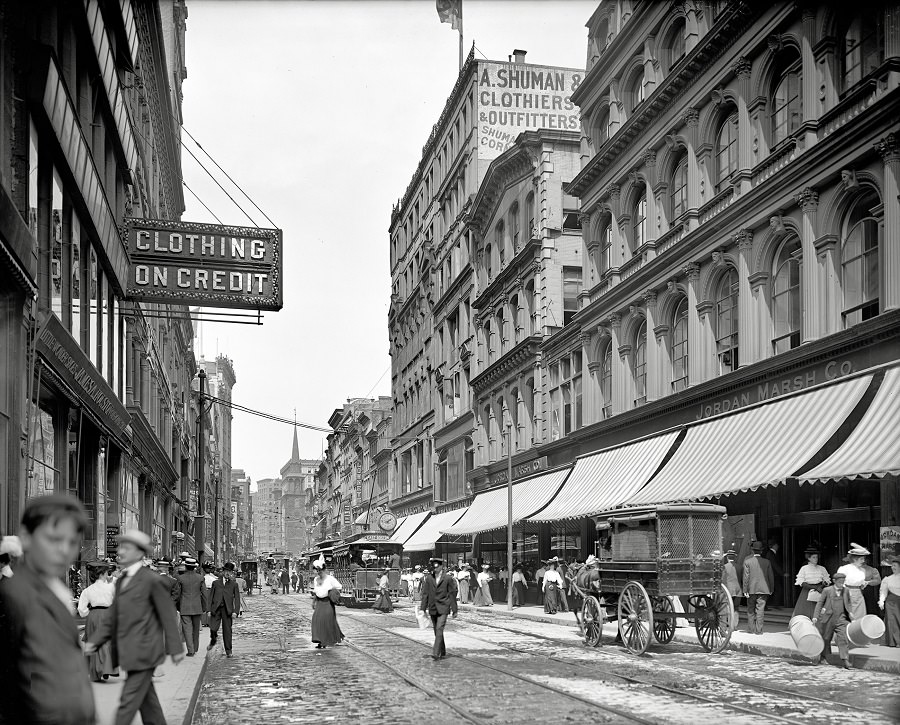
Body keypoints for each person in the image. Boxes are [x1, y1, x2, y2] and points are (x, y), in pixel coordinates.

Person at [0, 495, 96, 725]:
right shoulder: (13, 597)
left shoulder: (52, 591)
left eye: (72, 542)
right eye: (53, 539)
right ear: (26, 537)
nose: (64, 550)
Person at [86, 528, 184, 725]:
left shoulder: (152, 580)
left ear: (139, 553)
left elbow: (167, 614)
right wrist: (95, 641)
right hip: (128, 651)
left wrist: (175, 648)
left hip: (144, 652)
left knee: (127, 704)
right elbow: (114, 615)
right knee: (150, 705)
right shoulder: (122, 580)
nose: (120, 551)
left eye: (126, 547)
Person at [78, 562, 120, 681]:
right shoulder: (112, 587)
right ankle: (106, 668)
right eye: (107, 572)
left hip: (93, 616)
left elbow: (82, 611)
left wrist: (89, 611)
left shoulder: (87, 590)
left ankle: (95, 672)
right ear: (102, 574)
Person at [418, 557, 458, 660]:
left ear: (441, 566)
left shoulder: (448, 578)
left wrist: (454, 609)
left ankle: (436, 653)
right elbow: (425, 594)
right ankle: (442, 650)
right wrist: (422, 608)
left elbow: (452, 594)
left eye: (436, 566)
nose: (434, 569)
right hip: (433, 608)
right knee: (437, 630)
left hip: (444, 607)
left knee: (439, 628)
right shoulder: (429, 579)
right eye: (433, 566)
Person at [813, 571, 853, 669]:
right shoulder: (827, 590)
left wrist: (850, 612)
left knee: (843, 638)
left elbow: (849, 603)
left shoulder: (846, 590)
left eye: (843, 581)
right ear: (834, 581)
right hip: (828, 618)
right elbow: (820, 603)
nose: (841, 583)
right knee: (826, 638)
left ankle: (845, 660)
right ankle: (823, 657)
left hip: (841, 618)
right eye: (840, 581)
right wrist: (815, 616)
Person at [208, 562, 242, 658]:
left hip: (227, 610)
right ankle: (213, 639)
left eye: (230, 571)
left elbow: (237, 599)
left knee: (227, 631)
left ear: (232, 573)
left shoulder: (234, 584)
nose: (228, 573)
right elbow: (210, 597)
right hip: (216, 609)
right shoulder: (216, 583)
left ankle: (228, 650)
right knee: (213, 628)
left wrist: (236, 611)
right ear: (223, 571)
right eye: (226, 571)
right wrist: (209, 610)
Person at [835, 543, 878, 620]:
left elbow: (861, 582)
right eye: (861, 559)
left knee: (860, 615)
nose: (863, 561)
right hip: (846, 593)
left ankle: (857, 630)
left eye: (863, 559)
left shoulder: (862, 570)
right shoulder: (845, 568)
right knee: (848, 615)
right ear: (855, 559)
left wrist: (864, 584)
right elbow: (839, 583)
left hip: (859, 594)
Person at [176, 557, 207, 656]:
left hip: (184, 606)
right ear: (194, 567)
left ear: (186, 566)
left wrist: (178, 606)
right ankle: (196, 647)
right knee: (196, 629)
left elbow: (178, 594)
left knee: (187, 629)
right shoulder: (200, 578)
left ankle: (191, 650)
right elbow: (204, 594)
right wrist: (204, 607)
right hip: (197, 606)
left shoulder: (180, 578)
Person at [310, 557, 344, 649]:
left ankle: (324, 641)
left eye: (315, 569)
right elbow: (316, 592)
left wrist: (332, 592)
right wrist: (313, 602)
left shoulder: (330, 579)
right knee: (316, 620)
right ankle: (320, 640)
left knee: (325, 621)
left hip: (328, 603)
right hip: (319, 603)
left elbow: (339, 587)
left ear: (319, 569)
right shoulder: (316, 579)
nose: (313, 571)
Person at [742, 540, 774, 634]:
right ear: (761, 551)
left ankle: (751, 630)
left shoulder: (747, 561)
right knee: (760, 610)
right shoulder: (767, 562)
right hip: (764, 589)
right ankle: (759, 631)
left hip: (751, 589)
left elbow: (746, 577)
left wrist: (745, 590)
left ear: (753, 550)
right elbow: (770, 576)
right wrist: (771, 588)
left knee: (750, 609)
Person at [791, 546, 830, 619]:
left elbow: (827, 580)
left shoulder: (821, 568)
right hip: (807, 592)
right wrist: (815, 587)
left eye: (817, 557)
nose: (816, 559)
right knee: (805, 612)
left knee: (819, 609)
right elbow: (801, 581)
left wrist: (822, 585)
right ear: (809, 558)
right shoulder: (804, 568)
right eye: (813, 557)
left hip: (820, 591)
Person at [878, 557, 900, 647]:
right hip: (892, 602)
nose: (893, 567)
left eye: (895, 566)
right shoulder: (888, 579)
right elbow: (883, 591)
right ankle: (895, 641)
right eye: (892, 566)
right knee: (892, 621)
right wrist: (881, 601)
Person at [764, 539, 784, 607]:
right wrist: (782, 573)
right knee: (776, 589)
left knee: (774, 589)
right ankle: (773, 604)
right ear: (774, 546)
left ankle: (773, 604)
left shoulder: (772, 553)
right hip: (773, 575)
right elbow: (774, 565)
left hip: (774, 575)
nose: (778, 546)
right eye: (777, 545)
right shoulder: (770, 554)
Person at [723, 549, 742, 620]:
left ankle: (729, 622)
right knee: (736, 607)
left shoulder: (725, 566)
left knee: (728, 606)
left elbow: (723, 579)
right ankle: (734, 624)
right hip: (738, 590)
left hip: (729, 589)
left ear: (727, 557)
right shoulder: (740, 567)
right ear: (735, 557)